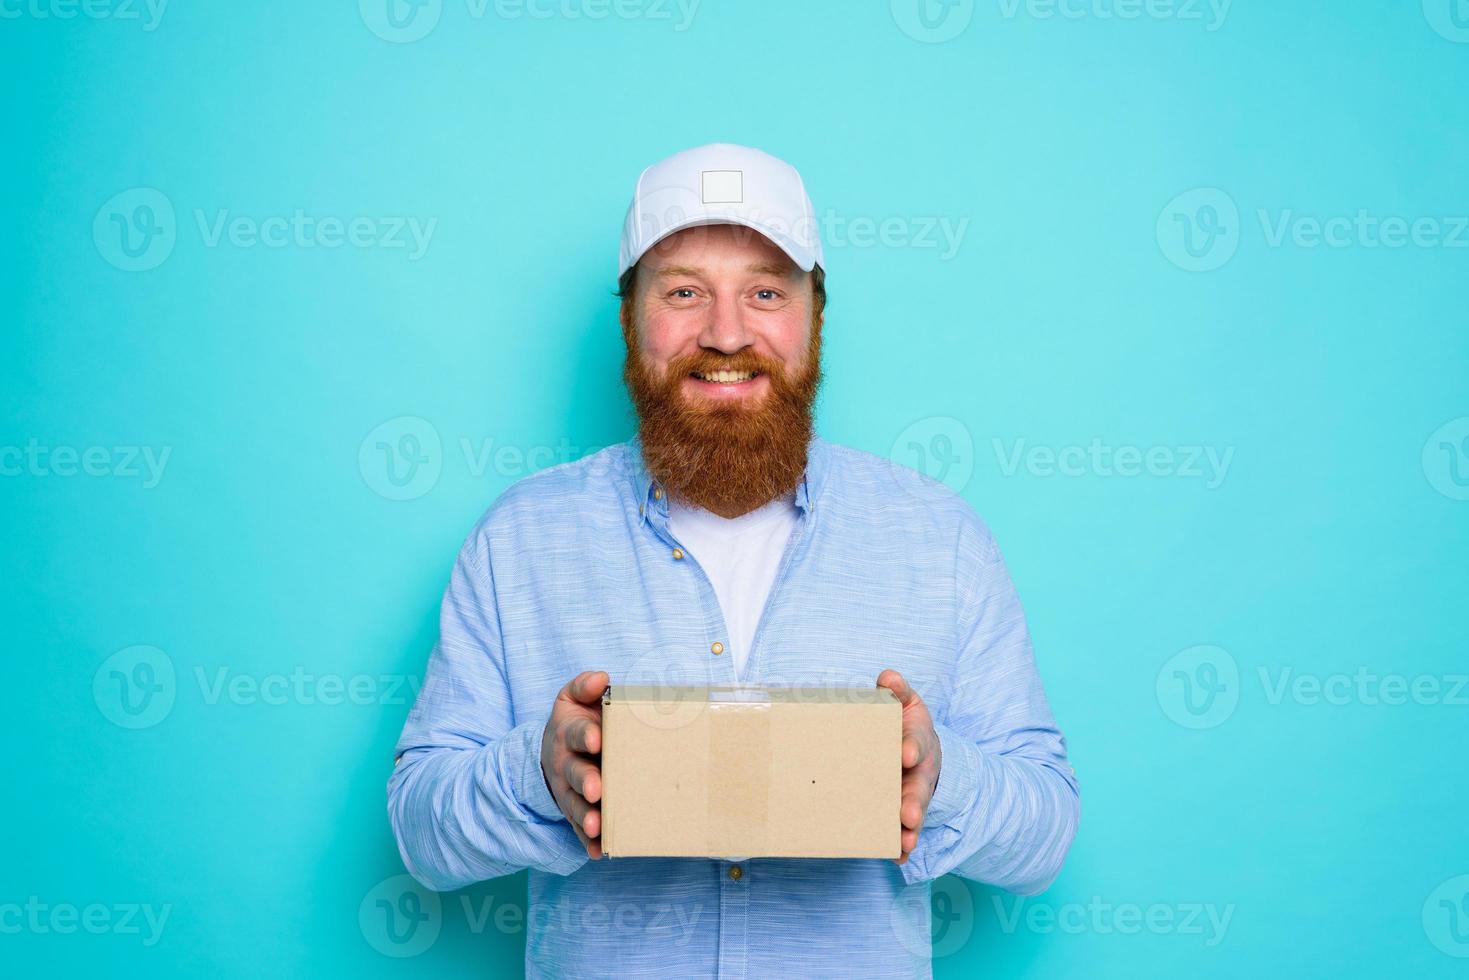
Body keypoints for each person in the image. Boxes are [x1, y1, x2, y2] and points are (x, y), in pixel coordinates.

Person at [387, 142, 1080, 977]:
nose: (724, 333)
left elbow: (1045, 837)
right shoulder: (520, 538)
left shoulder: (941, 540)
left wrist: (941, 780)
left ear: (814, 318)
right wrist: (537, 775)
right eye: (683, 292)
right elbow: (422, 837)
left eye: (765, 292)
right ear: (628, 318)